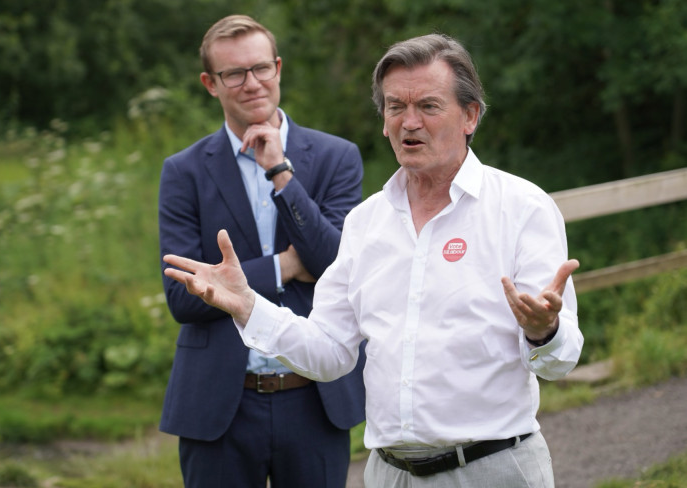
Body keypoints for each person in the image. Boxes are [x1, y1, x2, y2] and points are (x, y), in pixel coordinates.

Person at [164, 32, 584, 488]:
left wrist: (543, 330)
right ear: (383, 121)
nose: (409, 123)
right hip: (390, 474)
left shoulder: (522, 207)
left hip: (493, 469)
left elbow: (560, 361)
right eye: (395, 107)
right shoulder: (367, 224)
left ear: (470, 115)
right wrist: (247, 304)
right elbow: (329, 351)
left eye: (428, 106)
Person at [157, 14, 366, 488]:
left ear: (278, 68)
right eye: (234, 73)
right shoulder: (184, 171)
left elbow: (337, 268)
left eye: (260, 69)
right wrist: (285, 265)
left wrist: (280, 172)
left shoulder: (337, 157)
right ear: (211, 83)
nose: (251, 84)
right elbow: (186, 298)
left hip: (314, 399)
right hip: (220, 405)